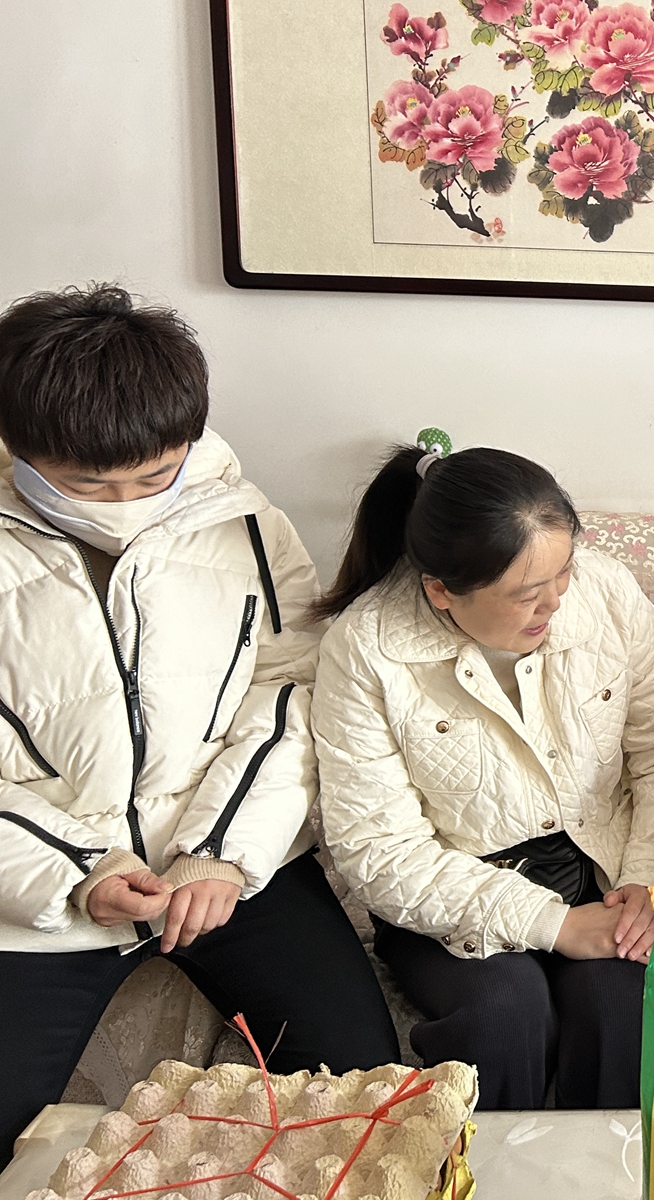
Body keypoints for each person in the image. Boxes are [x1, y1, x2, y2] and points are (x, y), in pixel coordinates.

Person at [0, 285, 396, 1162]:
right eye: (86, 485)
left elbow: (291, 692)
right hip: (40, 886)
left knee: (365, 1096)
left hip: (226, 862)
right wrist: (83, 870)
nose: (124, 504)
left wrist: (223, 852)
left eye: (154, 476)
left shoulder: (247, 521)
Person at [312, 437, 654, 1110]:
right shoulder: (366, 647)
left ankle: (600, 1169)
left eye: (563, 573)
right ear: (441, 591)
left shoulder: (606, 591)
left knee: (622, 1004)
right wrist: (553, 924)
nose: (556, 604)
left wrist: (644, 879)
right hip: (451, 888)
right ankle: (483, 1165)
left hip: (604, 864)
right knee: (503, 1012)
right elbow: (379, 849)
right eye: (526, 595)